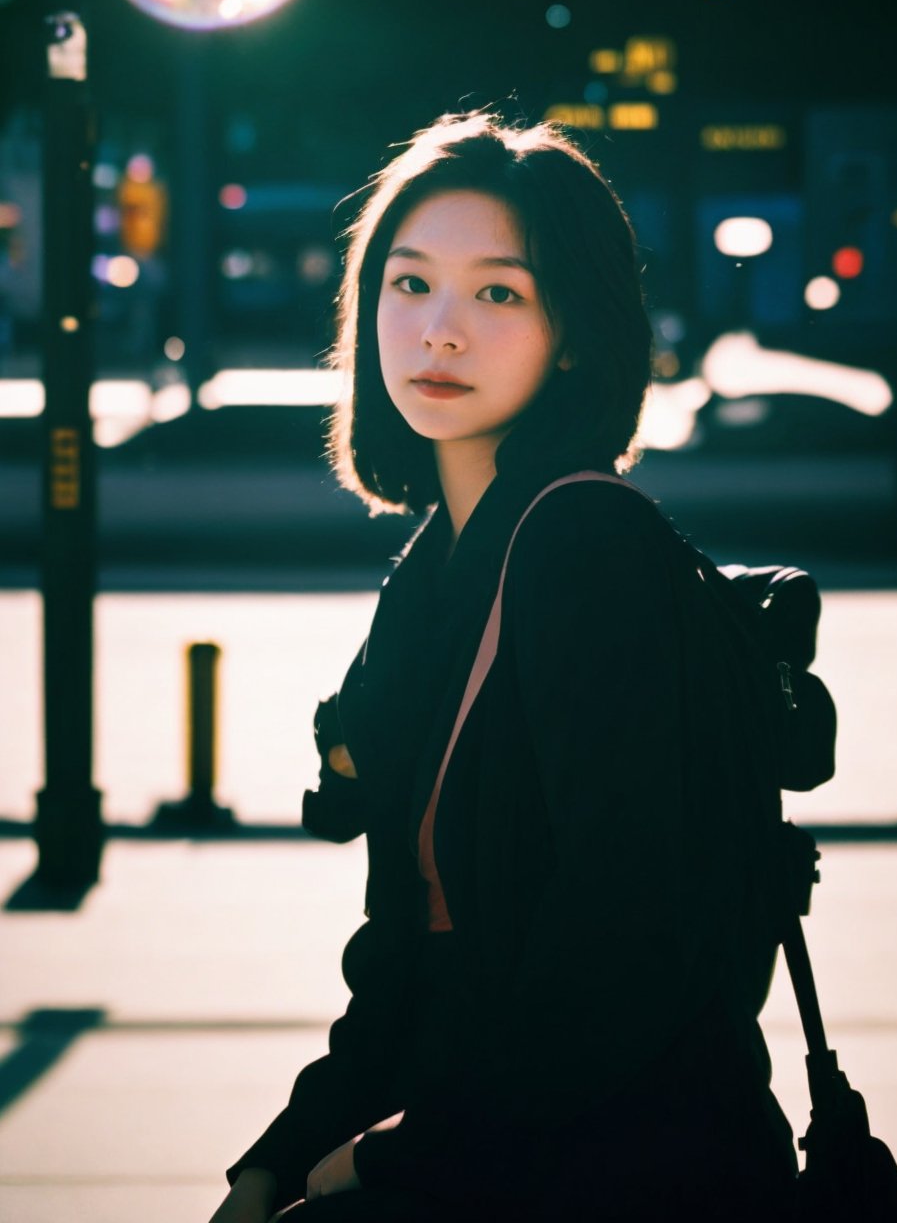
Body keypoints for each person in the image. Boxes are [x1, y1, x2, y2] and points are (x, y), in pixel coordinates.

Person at [210, 110, 799, 1223]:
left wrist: (391, 1156)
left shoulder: (587, 548)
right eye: (408, 283)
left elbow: (626, 934)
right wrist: (282, 1153)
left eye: (498, 294)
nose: (438, 331)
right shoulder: (435, 567)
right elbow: (405, 948)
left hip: (618, 1161)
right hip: (478, 1129)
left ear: (572, 331)